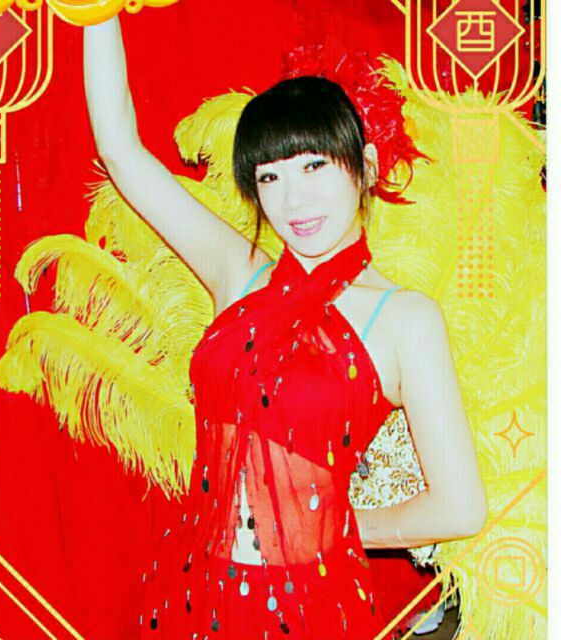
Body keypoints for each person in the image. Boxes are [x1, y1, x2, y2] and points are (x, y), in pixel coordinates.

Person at [81, 15, 487, 639]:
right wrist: (94, 12)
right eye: (270, 176)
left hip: (309, 607)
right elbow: (119, 150)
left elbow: (459, 507)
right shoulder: (238, 272)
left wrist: (334, 526)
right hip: (191, 591)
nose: (294, 200)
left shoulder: (406, 319)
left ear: (366, 166)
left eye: (314, 167)